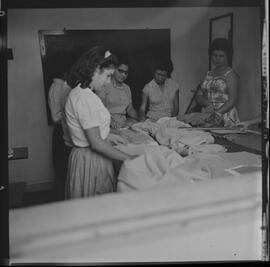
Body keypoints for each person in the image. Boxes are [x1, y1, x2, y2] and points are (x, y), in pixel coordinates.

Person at [64, 46, 134, 199]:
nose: (108, 81)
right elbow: (95, 143)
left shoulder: (82, 92)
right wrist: (130, 159)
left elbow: (91, 132)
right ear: (95, 69)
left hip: (89, 156)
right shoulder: (85, 98)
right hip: (91, 160)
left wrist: (110, 137)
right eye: (108, 75)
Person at [195, 38, 240, 127]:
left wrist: (217, 113)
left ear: (227, 56)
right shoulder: (208, 74)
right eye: (215, 55)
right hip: (207, 114)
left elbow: (232, 100)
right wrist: (206, 103)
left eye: (221, 56)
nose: (217, 59)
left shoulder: (231, 75)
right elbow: (198, 95)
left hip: (225, 115)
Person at [48, 71, 73, 201]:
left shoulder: (64, 86)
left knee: (67, 170)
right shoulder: (57, 87)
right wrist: (73, 115)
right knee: (63, 171)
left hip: (65, 130)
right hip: (60, 132)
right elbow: (55, 116)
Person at [96, 56, 139, 129]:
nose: (123, 75)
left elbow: (130, 109)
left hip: (124, 123)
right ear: (113, 70)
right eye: (120, 71)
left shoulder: (127, 88)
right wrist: (111, 122)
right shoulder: (103, 85)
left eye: (126, 73)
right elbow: (101, 108)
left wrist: (139, 119)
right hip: (107, 124)